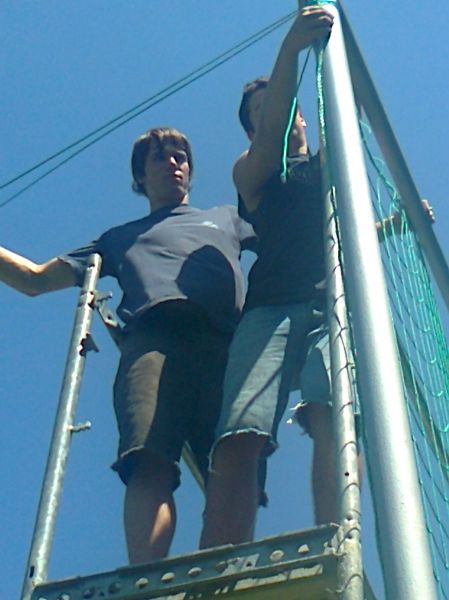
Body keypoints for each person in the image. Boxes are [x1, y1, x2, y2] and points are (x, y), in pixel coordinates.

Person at [0, 127, 255, 563]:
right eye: (159, 157)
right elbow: (34, 280)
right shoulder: (118, 239)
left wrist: (370, 227)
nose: (173, 163)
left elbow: (289, 232)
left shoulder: (228, 218)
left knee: (234, 462)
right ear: (140, 177)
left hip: (226, 345)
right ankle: (147, 576)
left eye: (180, 156)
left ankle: (227, 571)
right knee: (148, 457)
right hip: (153, 341)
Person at [199, 5, 338, 549]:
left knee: (331, 416)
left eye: (281, 106)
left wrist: (395, 226)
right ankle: (219, 560)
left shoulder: (332, 168)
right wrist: (290, 50)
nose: (277, 115)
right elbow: (272, 137)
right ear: (254, 127)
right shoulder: (251, 172)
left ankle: (335, 537)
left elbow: (338, 234)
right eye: (261, 112)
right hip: (271, 311)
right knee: (242, 431)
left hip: (332, 304)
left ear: (303, 115)